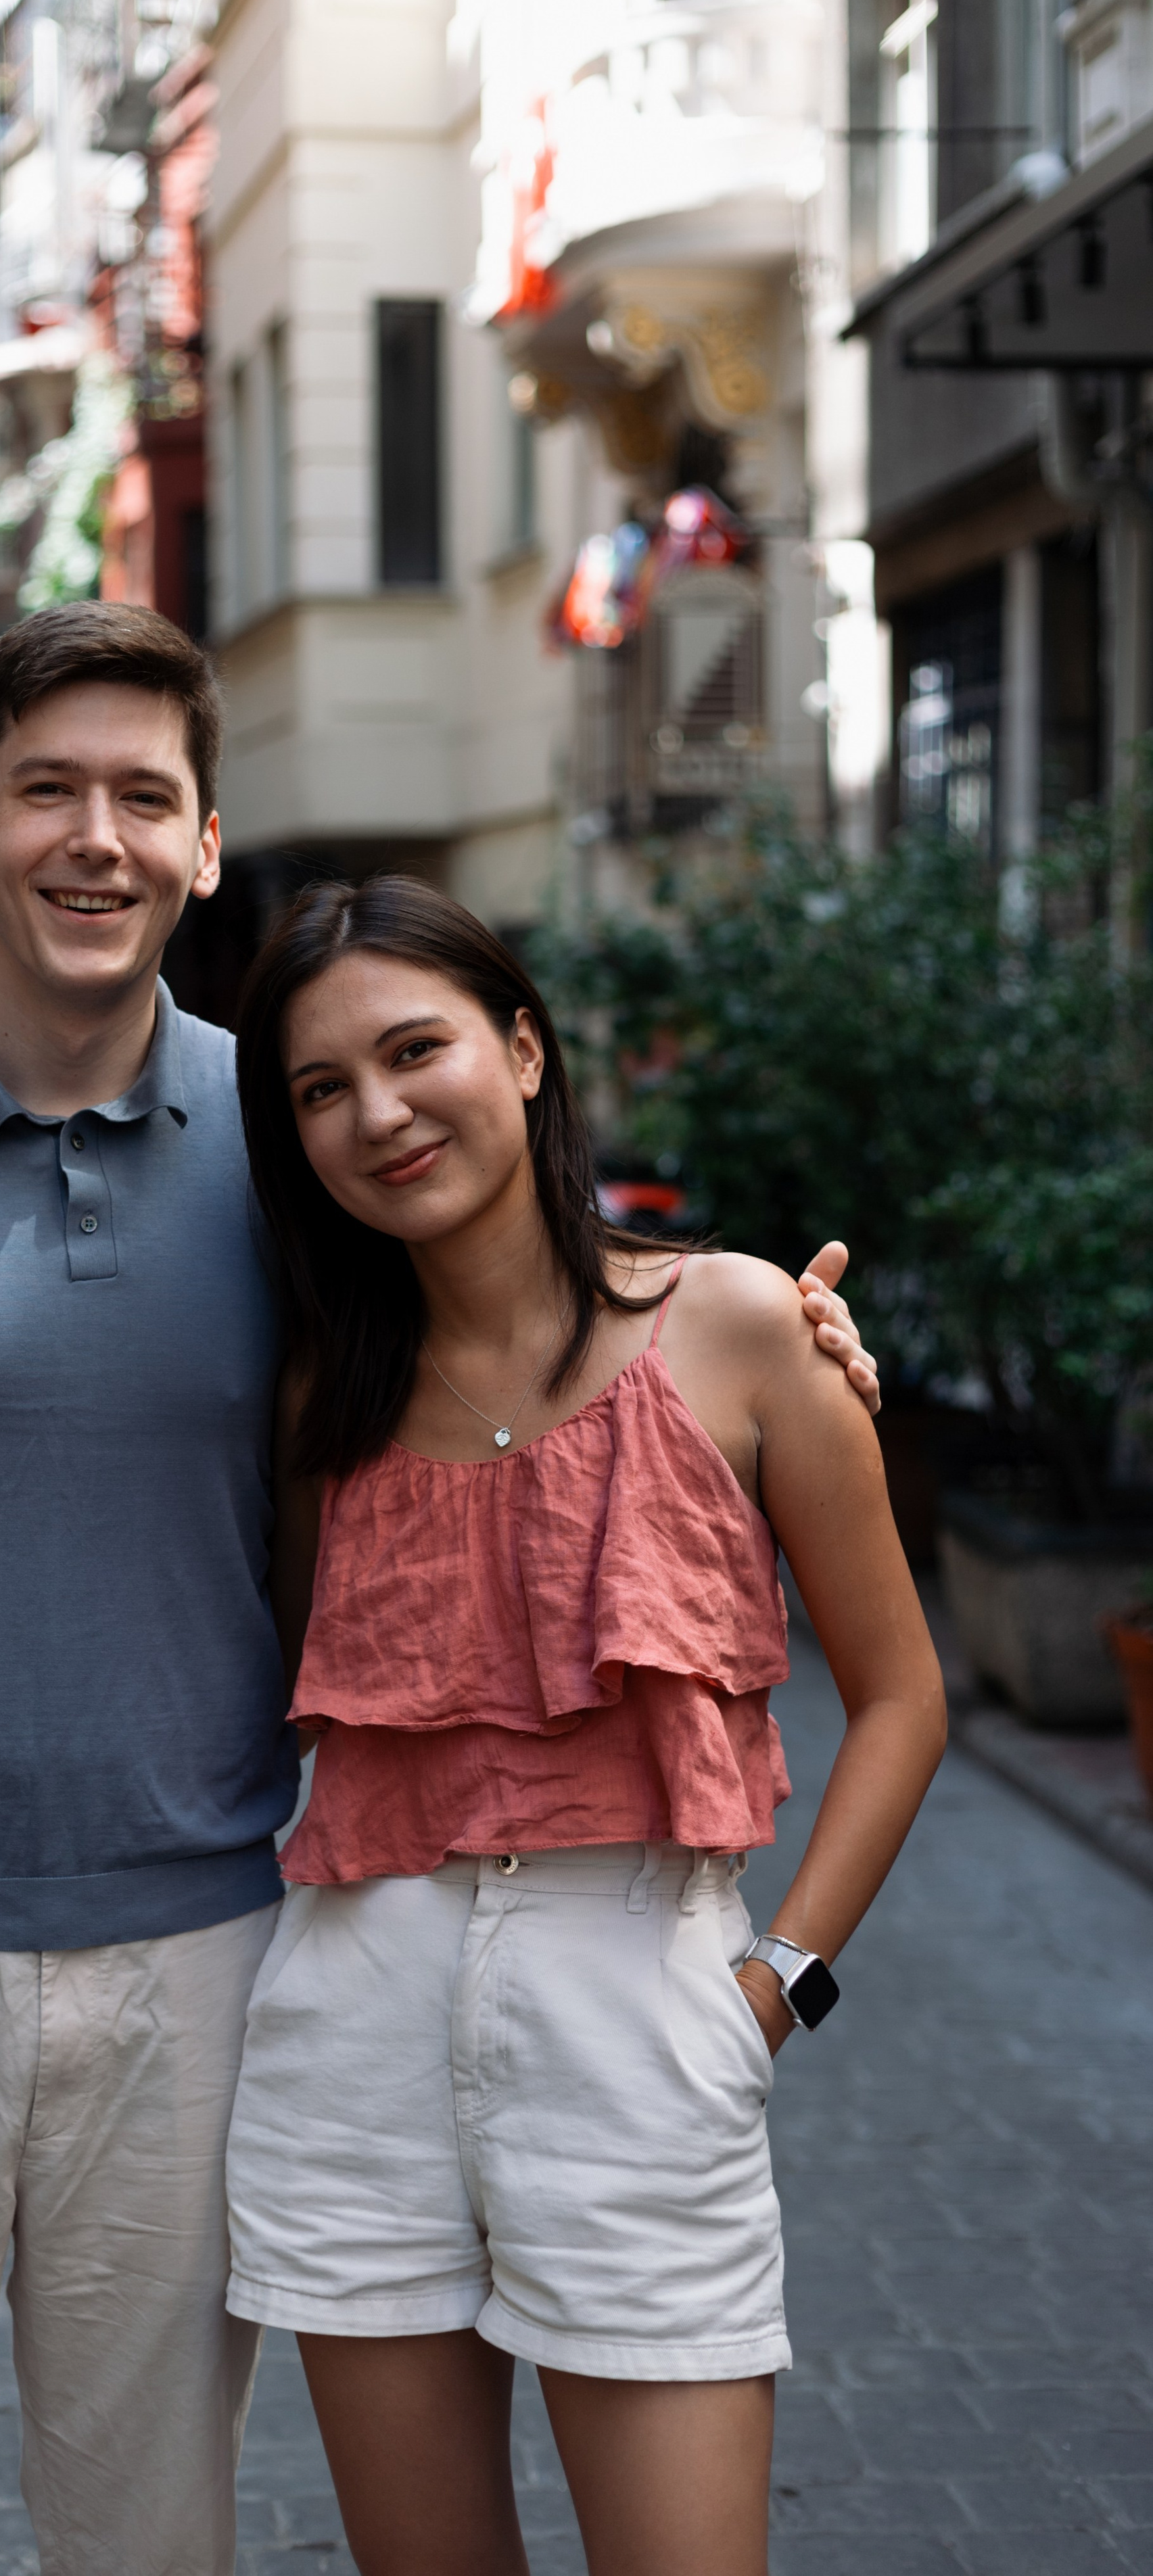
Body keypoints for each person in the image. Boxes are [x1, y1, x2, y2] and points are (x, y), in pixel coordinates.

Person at [0, 603, 883, 2576]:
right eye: (47, 789)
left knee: (155, 2540)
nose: (96, 838)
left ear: (209, 844)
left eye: (147, 796)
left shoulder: (293, 1136)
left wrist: (782, 1349)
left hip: (211, 1949)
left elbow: (524, 1304)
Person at [224, 876, 947, 2576]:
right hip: (352, 2015)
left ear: (525, 1050)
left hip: (643, 2005)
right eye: (319, 1091)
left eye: (416, 1051)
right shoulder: (316, 1392)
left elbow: (906, 1700)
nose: (378, 1114)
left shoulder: (741, 1327)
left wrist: (773, 1986)